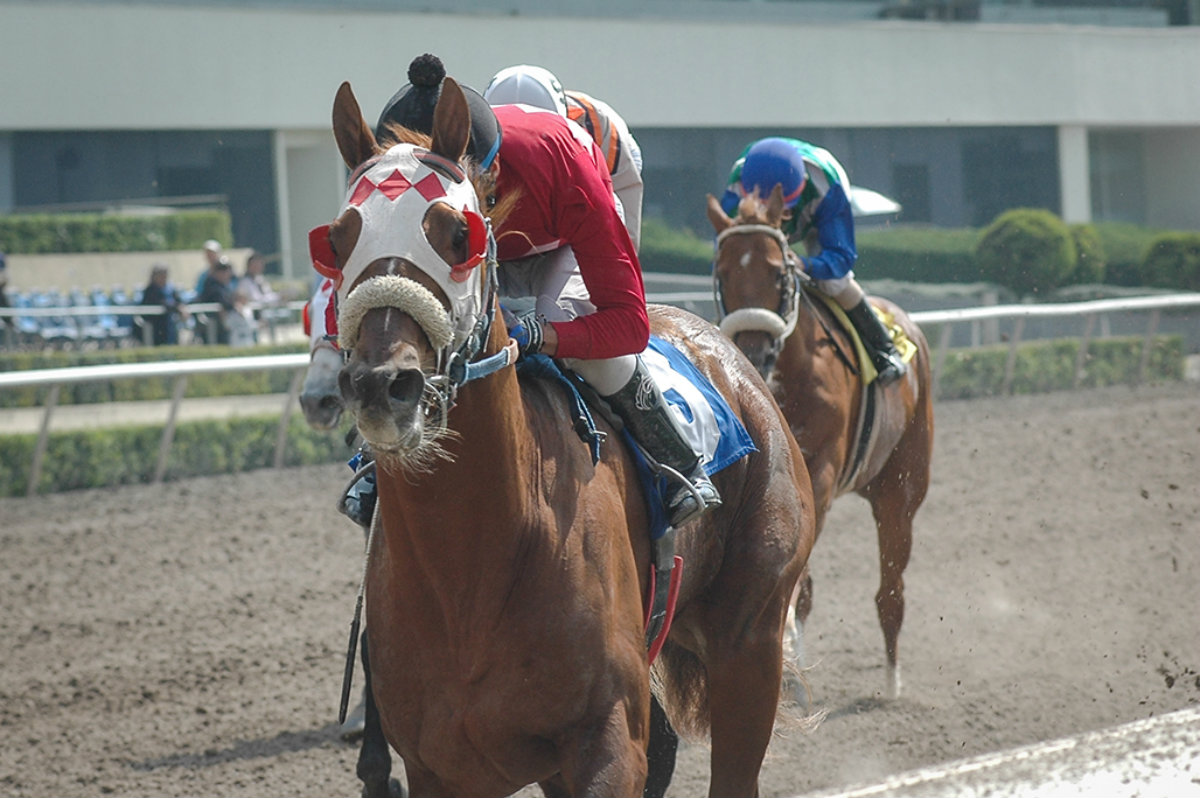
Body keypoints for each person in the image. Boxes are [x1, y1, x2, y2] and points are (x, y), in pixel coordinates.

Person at [344, 53, 720, 530]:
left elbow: (627, 325)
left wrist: (544, 334)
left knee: (569, 328)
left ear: (491, 172)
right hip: (471, 226)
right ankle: (374, 467)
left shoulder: (567, 165)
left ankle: (677, 464)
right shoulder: (416, 184)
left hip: (566, 226)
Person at [719, 136, 908, 382]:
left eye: (785, 212)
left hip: (818, 213)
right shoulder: (735, 192)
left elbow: (841, 257)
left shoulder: (827, 188)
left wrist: (804, 264)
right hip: (763, 218)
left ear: (803, 185)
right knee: (740, 275)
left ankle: (884, 349)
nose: (782, 220)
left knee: (834, 282)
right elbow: (724, 252)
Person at [483, 64, 645, 250]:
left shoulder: (598, 130)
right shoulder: (474, 128)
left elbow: (621, 212)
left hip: (606, 170)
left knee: (612, 215)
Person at [139, 263, 187, 346]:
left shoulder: (170, 288)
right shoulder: (150, 290)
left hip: (170, 324)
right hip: (156, 326)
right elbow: (161, 302)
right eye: (161, 275)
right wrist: (176, 307)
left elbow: (178, 300)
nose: (163, 277)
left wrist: (181, 307)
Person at [196, 256, 236, 345]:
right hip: (212, 325)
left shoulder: (226, 286)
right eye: (221, 269)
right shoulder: (211, 284)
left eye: (227, 269)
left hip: (223, 326)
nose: (225, 273)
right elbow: (222, 301)